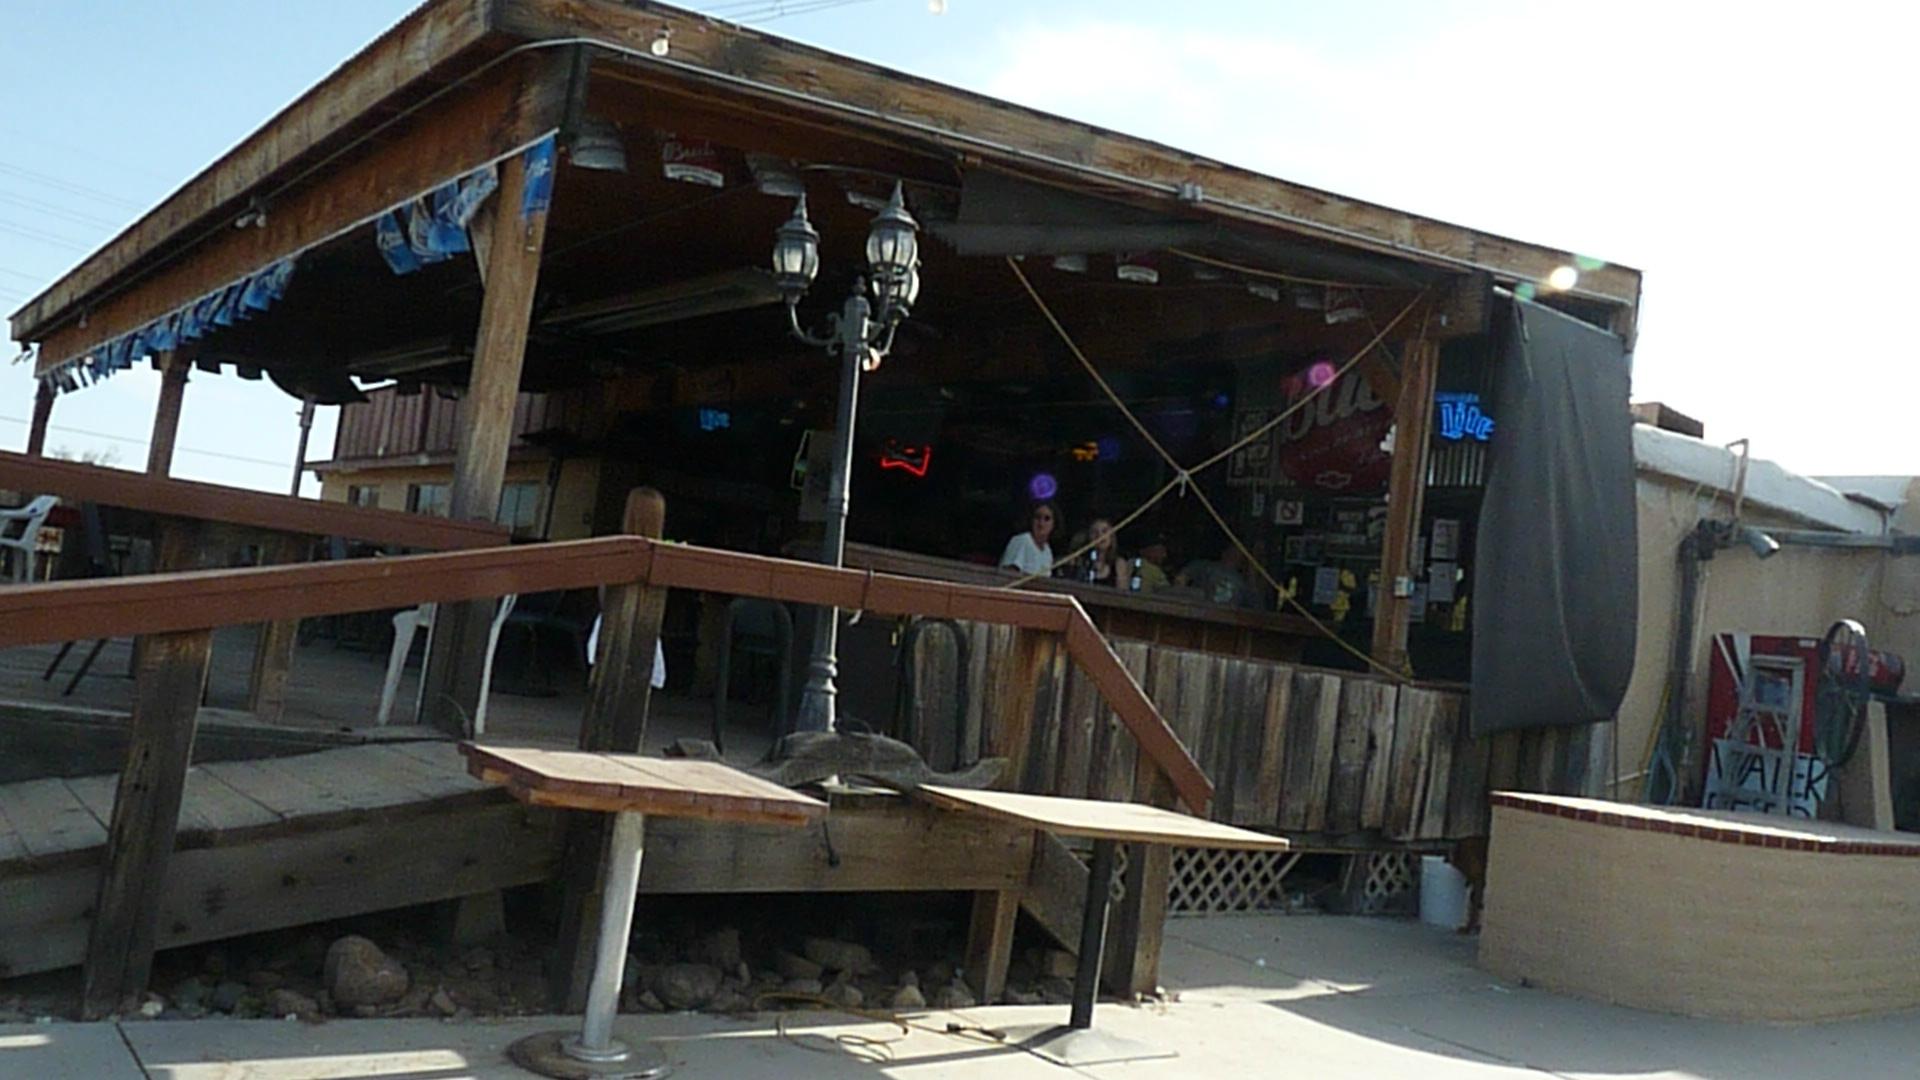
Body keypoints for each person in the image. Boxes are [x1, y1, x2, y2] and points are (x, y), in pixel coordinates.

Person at [1177, 544, 1258, 608]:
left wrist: (1252, 573)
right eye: (1232, 551)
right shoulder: (1206, 567)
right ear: (1224, 553)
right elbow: (1183, 577)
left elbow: (1255, 605)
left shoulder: (1243, 582)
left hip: (1228, 619)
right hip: (1202, 613)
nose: (1233, 556)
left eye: (1238, 554)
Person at [1000, 501, 1058, 576]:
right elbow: (1008, 574)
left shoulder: (1048, 551)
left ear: (1054, 524)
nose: (1041, 523)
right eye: (1037, 517)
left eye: (1047, 519)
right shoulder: (1022, 540)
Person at [1080, 517, 1121, 585]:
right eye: (1094, 532)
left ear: (1111, 537)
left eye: (1104, 531)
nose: (1099, 535)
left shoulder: (1118, 564)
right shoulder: (1080, 562)